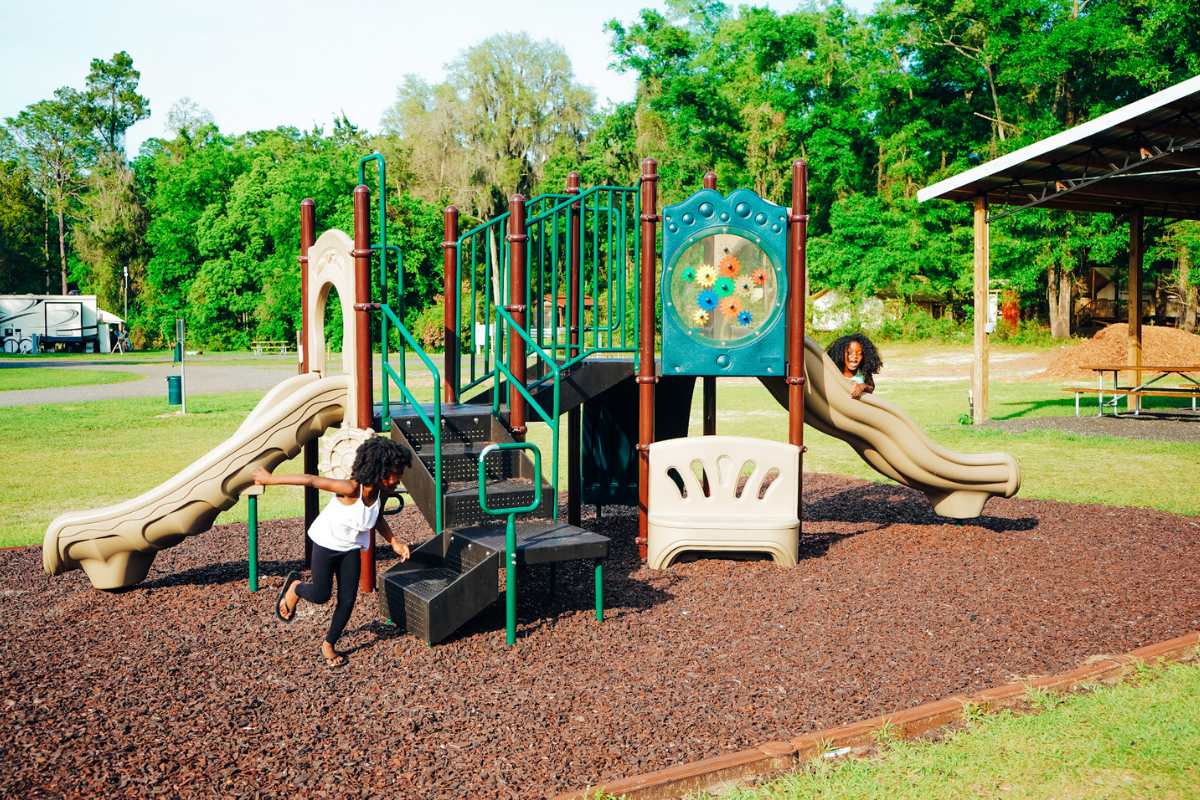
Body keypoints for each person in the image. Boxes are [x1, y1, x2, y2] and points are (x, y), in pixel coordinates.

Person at [252, 436, 412, 668]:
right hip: (326, 545)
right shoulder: (350, 489)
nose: (399, 480)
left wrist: (394, 542)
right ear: (380, 472)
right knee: (320, 595)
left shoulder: (381, 491)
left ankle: (328, 644)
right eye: (396, 475)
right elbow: (311, 480)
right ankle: (295, 588)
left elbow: (376, 516)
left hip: (350, 549)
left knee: (347, 601)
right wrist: (270, 479)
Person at [826, 333, 883, 399]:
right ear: (840, 354)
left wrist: (863, 386)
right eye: (849, 352)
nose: (855, 356)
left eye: (859, 353)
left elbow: (871, 388)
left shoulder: (862, 372)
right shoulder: (836, 371)